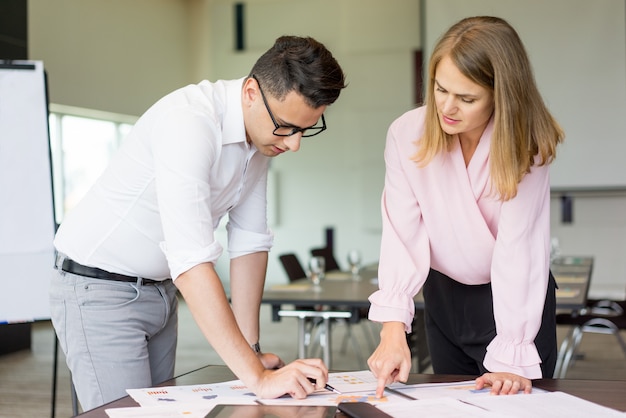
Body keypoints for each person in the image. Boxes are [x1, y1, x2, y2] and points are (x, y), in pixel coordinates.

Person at [49, 35, 346, 411]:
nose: (294, 144)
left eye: (306, 129)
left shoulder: (260, 140)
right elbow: (190, 262)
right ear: (252, 92)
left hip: (159, 291)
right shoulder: (189, 122)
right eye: (288, 127)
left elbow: (250, 242)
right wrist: (258, 378)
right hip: (97, 287)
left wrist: (251, 355)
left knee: (161, 411)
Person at [367, 16, 564, 397]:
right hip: (442, 297)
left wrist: (511, 354)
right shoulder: (407, 133)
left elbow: (519, 250)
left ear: (500, 95)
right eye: (440, 89)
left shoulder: (527, 146)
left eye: (467, 98)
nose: (447, 107)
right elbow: (401, 234)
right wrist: (393, 329)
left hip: (514, 301)